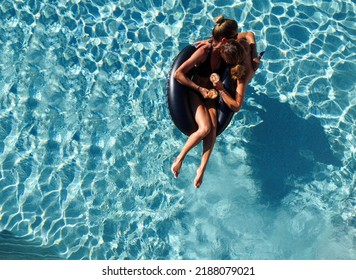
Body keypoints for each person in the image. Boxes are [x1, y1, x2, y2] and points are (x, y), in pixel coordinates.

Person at [171, 16, 261, 188]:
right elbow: (178, 75)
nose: (237, 38)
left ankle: (201, 169)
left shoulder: (227, 51)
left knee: (212, 129)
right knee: (204, 128)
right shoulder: (205, 51)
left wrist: (254, 54)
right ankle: (179, 158)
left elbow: (246, 35)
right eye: (234, 37)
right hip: (196, 91)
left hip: (211, 94)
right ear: (226, 39)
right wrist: (200, 89)